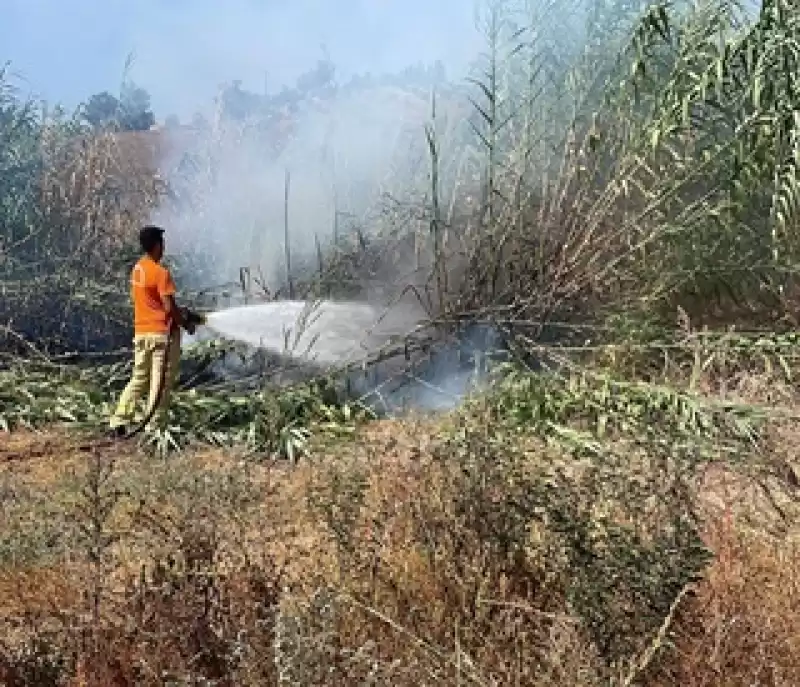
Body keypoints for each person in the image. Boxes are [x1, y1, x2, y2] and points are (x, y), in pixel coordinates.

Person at [109, 225, 194, 437]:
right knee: (160, 384)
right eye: (162, 243)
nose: (164, 247)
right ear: (157, 245)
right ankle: (154, 428)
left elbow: (151, 301)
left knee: (138, 379)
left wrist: (180, 312)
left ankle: (118, 420)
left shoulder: (138, 269)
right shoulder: (161, 273)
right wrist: (184, 322)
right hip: (161, 338)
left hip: (141, 334)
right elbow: (168, 307)